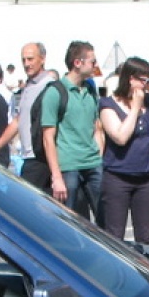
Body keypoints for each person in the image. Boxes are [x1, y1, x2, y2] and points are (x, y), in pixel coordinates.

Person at [98, 56, 149, 243]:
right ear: (130, 79)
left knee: (146, 236)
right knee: (115, 236)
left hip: (146, 178)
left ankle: (146, 271)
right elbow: (120, 137)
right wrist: (134, 109)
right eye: (144, 80)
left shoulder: (148, 102)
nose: (147, 85)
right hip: (118, 177)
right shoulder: (108, 105)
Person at [39, 40, 103, 220]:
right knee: (70, 221)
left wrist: (99, 156)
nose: (95, 65)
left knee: (105, 221)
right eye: (92, 61)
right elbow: (48, 137)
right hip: (69, 166)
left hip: (93, 163)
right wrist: (56, 176)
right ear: (77, 63)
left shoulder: (90, 89)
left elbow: (96, 127)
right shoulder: (55, 92)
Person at [0, 42, 52, 188]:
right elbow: (18, 120)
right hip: (28, 156)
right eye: (23, 60)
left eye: (30, 59)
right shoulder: (29, 86)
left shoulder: (49, 86)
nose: (26, 64)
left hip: (40, 158)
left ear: (43, 59)